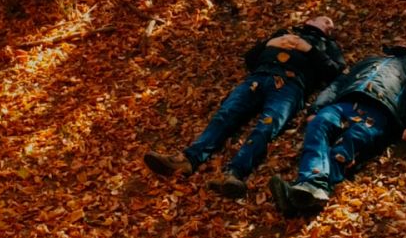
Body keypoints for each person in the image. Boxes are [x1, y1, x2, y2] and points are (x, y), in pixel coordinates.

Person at [145, 16, 345, 198]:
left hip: (291, 86)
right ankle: (187, 159)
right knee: (225, 115)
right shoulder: (284, 32)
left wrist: (309, 49)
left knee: (267, 126)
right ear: (310, 20)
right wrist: (270, 43)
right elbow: (250, 58)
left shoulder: (328, 46)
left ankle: (234, 174)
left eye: (331, 27)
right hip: (258, 77)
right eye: (326, 21)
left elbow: (335, 72)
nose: (330, 26)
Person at [271, 43, 406, 219]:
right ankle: (310, 192)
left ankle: (302, 193)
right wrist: (317, 108)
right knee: (318, 124)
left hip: (381, 111)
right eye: (402, 42)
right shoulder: (370, 60)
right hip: (346, 102)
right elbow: (337, 84)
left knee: (348, 145)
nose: (405, 44)